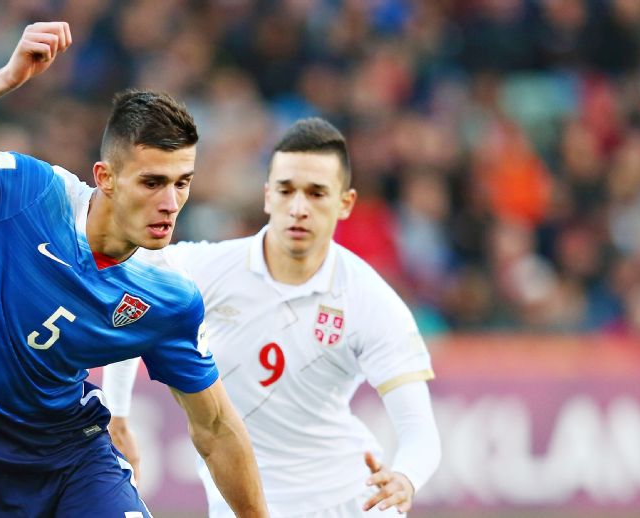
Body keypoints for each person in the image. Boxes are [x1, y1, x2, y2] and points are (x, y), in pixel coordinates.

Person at [0, 21, 267, 517]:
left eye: (182, 182)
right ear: (106, 177)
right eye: (153, 182)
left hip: (73, 461)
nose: (170, 202)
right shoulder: (26, 194)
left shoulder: (167, 298)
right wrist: (3, 80)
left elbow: (217, 427)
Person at [104, 118, 441, 517]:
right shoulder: (206, 269)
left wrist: (405, 476)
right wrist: (119, 414)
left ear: (345, 202)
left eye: (316, 193)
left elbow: (420, 430)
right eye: (287, 190)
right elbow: (134, 301)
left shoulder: (369, 299)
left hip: (350, 502)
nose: (298, 208)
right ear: (268, 195)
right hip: (241, 500)